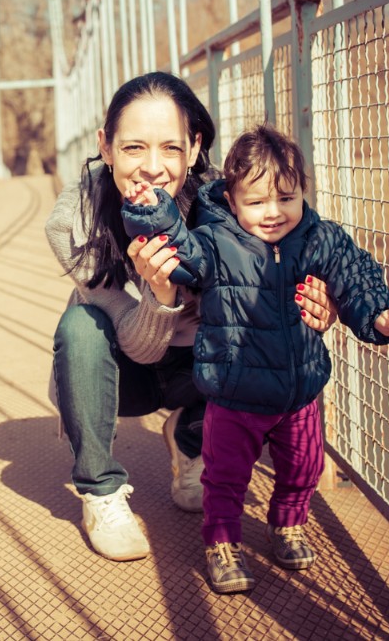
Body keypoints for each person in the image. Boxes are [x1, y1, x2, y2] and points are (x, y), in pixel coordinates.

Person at [45, 73, 339, 562]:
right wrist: (160, 297)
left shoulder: (229, 209)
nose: (153, 169)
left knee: (246, 326)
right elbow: (142, 347)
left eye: (171, 148)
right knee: (80, 327)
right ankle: (100, 494)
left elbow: (285, 281)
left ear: (196, 145)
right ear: (106, 146)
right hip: (127, 371)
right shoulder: (74, 220)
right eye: (134, 147)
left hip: (201, 370)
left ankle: (190, 435)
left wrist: (317, 303)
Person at [121, 123, 389, 593]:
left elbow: (355, 276)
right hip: (234, 392)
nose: (274, 213)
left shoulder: (319, 237)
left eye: (287, 198)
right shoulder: (217, 241)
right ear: (232, 201)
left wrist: (378, 316)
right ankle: (221, 542)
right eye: (256, 203)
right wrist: (149, 211)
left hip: (299, 391)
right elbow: (180, 253)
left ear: (302, 192)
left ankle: (288, 524)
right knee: (226, 476)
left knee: (304, 467)